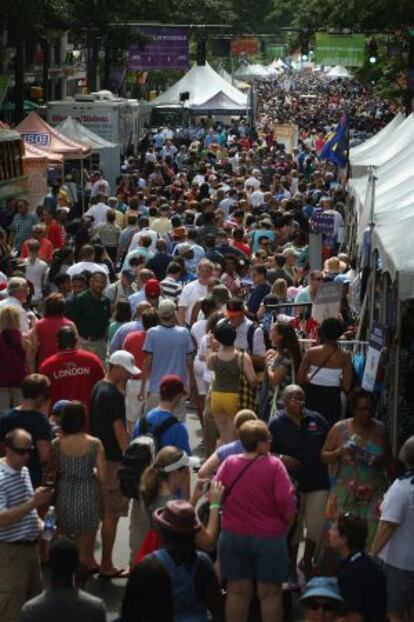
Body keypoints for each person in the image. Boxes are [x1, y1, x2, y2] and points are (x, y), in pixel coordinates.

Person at [215, 420, 296, 622]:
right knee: (270, 594)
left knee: (236, 592)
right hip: (269, 538)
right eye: (268, 439)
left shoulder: (229, 463)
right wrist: (287, 523)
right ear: (259, 443)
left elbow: (217, 494)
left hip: (233, 535)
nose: (270, 443)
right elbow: (286, 500)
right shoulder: (274, 465)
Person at [316, 388, 391, 574]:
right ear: (353, 409)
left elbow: (389, 458)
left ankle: (365, 574)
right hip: (345, 492)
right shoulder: (340, 428)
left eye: (370, 409)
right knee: (339, 537)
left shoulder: (380, 429)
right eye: (362, 409)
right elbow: (323, 456)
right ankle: (336, 576)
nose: (367, 413)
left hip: (373, 492)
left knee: (372, 536)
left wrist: (378, 459)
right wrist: (339, 452)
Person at [270, 385, 330, 581]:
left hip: (317, 481)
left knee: (316, 525)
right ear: (284, 401)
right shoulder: (276, 423)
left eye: (301, 398)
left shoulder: (317, 419)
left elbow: (330, 443)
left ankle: (307, 561)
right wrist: (280, 457)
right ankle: (291, 563)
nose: (297, 402)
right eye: (293, 399)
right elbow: (263, 451)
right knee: (293, 527)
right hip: (290, 485)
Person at [90, 350, 139, 578]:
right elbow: (120, 431)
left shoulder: (99, 387)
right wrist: (130, 457)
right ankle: (107, 564)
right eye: (127, 372)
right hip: (113, 461)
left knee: (101, 510)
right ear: (117, 368)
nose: (129, 377)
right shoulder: (114, 396)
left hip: (98, 458)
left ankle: (91, 558)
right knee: (111, 514)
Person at [0, 429, 54, 622]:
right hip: (10, 553)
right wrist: (34, 503)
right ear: (7, 449)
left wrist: (40, 523)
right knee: (11, 611)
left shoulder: (23, 471)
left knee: (33, 610)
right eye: (20, 451)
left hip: (31, 550)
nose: (26, 456)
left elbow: (26, 508)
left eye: (29, 450)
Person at [146, 500, 224, 622]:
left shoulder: (150, 564)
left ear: (161, 533)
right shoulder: (202, 562)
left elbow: (133, 609)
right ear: (193, 534)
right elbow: (216, 607)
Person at [50, 402, 106, 573]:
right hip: (87, 496)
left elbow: (52, 473)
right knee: (84, 555)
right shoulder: (95, 444)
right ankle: (80, 589)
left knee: (63, 548)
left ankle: (63, 584)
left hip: (64, 497)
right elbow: (103, 477)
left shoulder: (57, 444)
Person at [371, 435, 414, 622]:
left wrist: (372, 553)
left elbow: (388, 525)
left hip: (398, 562)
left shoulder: (403, 488)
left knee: (393, 612)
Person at [21, 537, 106, 622]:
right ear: (76, 566)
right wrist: (81, 586)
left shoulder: (32, 609)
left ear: (49, 565)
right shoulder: (96, 607)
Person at [140, 300, 194, 421]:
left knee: (153, 425)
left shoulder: (152, 333)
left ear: (160, 314)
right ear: (174, 313)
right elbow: (189, 361)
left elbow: (148, 361)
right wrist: (190, 385)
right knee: (177, 424)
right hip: (178, 390)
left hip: (156, 389)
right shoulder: (184, 333)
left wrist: (143, 387)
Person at [39, 326, 105, 427]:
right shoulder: (92, 360)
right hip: (86, 421)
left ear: (57, 343)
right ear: (76, 341)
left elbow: (43, 398)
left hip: (59, 424)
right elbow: (101, 388)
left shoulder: (47, 366)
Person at [330, 512, 387, 622]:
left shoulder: (349, 574)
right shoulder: (369, 564)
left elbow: (355, 618)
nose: (329, 532)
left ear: (344, 538)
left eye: (333, 529)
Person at [297, 317, 353, 427]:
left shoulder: (311, 353)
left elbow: (300, 379)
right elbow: (346, 386)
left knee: (312, 430)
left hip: (313, 396)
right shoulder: (345, 356)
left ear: (322, 332)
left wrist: (310, 378)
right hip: (333, 398)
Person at [207, 320, 256, 445]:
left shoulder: (213, 357)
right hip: (234, 395)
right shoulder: (242, 356)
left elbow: (209, 366)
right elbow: (252, 379)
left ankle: (222, 460)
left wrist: (209, 346)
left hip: (216, 395)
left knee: (223, 435)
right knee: (235, 436)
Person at [0, 374, 52, 488]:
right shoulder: (40, 420)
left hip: (8, 476)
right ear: (40, 395)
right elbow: (44, 455)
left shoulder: (6, 416)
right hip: (32, 477)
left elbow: (2, 449)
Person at [133, 375, 191, 455]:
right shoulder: (179, 428)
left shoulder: (140, 422)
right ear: (178, 397)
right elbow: (185, 459)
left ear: (160, 393)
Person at [123, 307, 159, 434]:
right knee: (153, 421)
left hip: (134, 382)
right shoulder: (159, 339)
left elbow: (125, 361)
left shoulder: (131, 337)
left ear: (143, 321)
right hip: (155, 383)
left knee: (131, 421)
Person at [198, 409, 257, 479]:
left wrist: (216, 477)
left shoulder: (225, 450)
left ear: (236, 428)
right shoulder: (263, 451)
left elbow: (202, 473)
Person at [66, 271, 111, 363]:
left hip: (100, 343)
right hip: (83, 342)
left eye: (102, 282)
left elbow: (106, 321)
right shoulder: (80, 299)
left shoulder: (106, 301)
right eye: (97, 281)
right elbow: (70, 322)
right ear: (91, 282)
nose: (100, 285)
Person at [264, 320, 302, 415]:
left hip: (281, 403)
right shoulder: (281, 353)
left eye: (272, 330)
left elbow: (274, 381)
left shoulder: (286, 355)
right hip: (277, 400)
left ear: (280, 336)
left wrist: (268, 364)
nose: (270, 331)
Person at [29, 293, 74, 367]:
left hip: (45, 364)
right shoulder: (70, 324)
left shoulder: (39, 325)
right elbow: (76, 347)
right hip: (66, 365)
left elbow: (33, 349)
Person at [0, 305, 32, 410]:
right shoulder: (24, 338)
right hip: (19, 378)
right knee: (20, 411)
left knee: (2, 413)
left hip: (2, 380)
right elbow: (28, 361)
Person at [177, 259, 214, 326]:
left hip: (211, 327)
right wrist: (181, 329)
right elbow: (181, 310)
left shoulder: (217, 288)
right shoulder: (188, 288)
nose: (204, 274)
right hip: (190, 326)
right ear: (198, 272)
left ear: (211, 273)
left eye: (207, 271)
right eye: (202, 271)